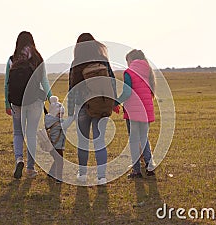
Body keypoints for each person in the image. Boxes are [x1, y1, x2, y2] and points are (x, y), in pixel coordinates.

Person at [67, 33, 116, 185]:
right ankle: (101, 177)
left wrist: (70, 112)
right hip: (101, 104)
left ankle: (82, 174)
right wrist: (112, 103)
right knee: (99, 141)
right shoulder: (103, 60)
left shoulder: (77, 62)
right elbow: (112, 82)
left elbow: (72, 89)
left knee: (83, 141)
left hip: (82, 106)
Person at [4, 31, 52, 179]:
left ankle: (19, 159)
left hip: (17, 102)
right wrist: (51, 99)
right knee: (31, 133)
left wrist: (7, 102)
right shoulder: (37, 59)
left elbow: (7, 83)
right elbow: (44, 81)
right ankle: (30, 168)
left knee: (18, 132)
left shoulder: (12, 60)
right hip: (35, 102)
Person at [114, 49, 156, 178]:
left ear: (130, 60)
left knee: (133, 141)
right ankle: (150, 166)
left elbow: (127, 93)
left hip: (133, 111)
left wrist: (116, 102)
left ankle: (137, 170)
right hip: (146, 109)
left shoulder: (129, 72)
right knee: (144, 138)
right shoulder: (148, 71)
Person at [45, 96, 73, 183]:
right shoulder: (59, 123)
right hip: (57, 146)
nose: (62, 116)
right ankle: (59, 178)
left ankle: (51, 173)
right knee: (60, 161)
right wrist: (74, 115)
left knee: (56, 160)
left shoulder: (48, 120)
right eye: (60, 114)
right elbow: (69, 122)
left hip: (50, 145)